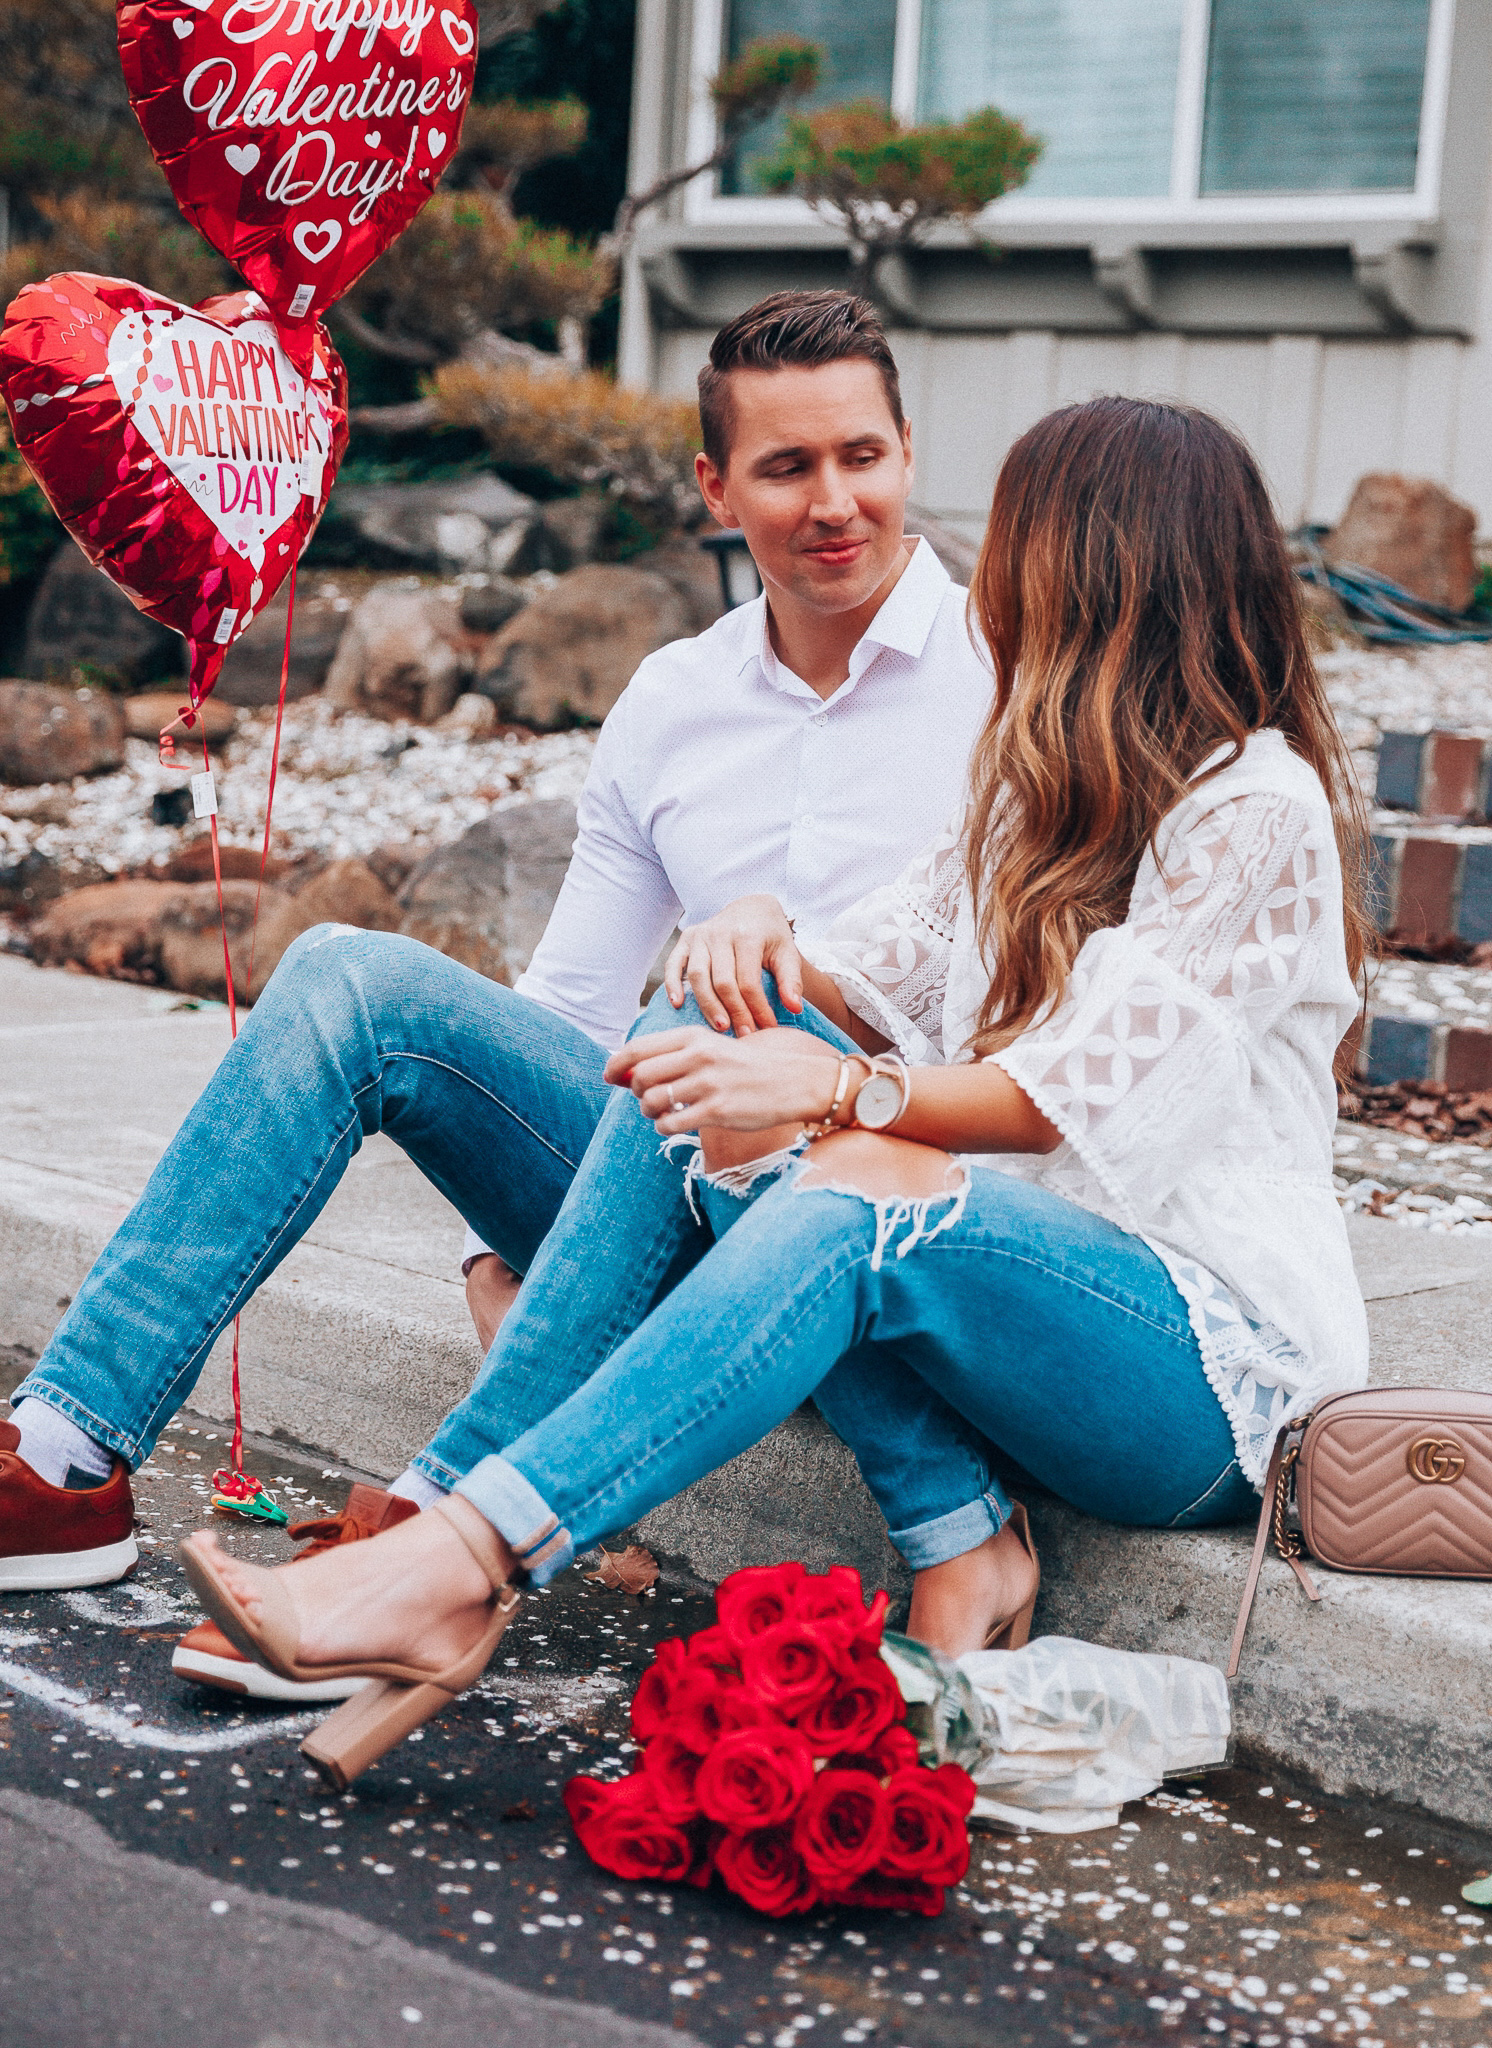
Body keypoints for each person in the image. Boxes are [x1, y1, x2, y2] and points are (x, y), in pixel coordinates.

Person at [182, 394, 1374, 1790]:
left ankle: (457, 1560)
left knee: (850, 1175)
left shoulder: (1256, 809)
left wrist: (839, 1090)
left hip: (1194, 1369)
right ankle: (504, 1542)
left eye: (1016, 544)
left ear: (1095, 571)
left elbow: (1066, 1101)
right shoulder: (1035, 782)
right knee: (718, 1031)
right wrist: (744, 938)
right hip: (1009, 1295)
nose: (988, 575)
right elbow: (855, 967)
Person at [0, 290, 993, 1693]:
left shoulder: (1011, 680)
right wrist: (501, 1243)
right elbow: (568, 1023)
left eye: (863, 456)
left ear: (905, 449)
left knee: (715, 1031)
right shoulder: (673, 700)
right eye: (787, 467)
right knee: (353, 975)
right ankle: (63, 1458)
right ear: (716, 488)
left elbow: (1030, 1039)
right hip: (668, 1179)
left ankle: (429, 1541)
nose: (836, 502)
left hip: (883, 1213)